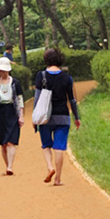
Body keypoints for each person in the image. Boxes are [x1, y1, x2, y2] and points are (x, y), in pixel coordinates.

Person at [33, 48, 81, 186]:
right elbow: (71, 100)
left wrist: (34, 118)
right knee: (59, 147)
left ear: (46, 60)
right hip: (63, 116)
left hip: (44, 117)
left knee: (46, 145)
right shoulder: (67, 78)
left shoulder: (41, 76)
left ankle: (50, 167)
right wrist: (76, 117)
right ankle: (58, 179)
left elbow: (37, 98)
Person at [0, 56, 24, 175]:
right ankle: (7, 165)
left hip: (12, 112)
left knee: (11, 141)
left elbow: (19, 99)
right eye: (0, 71)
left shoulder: (15, 83)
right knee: (3, 143)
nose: (2, 73)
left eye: (4, 70)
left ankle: (10, 167)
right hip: (0, 112)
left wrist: (21, 115)